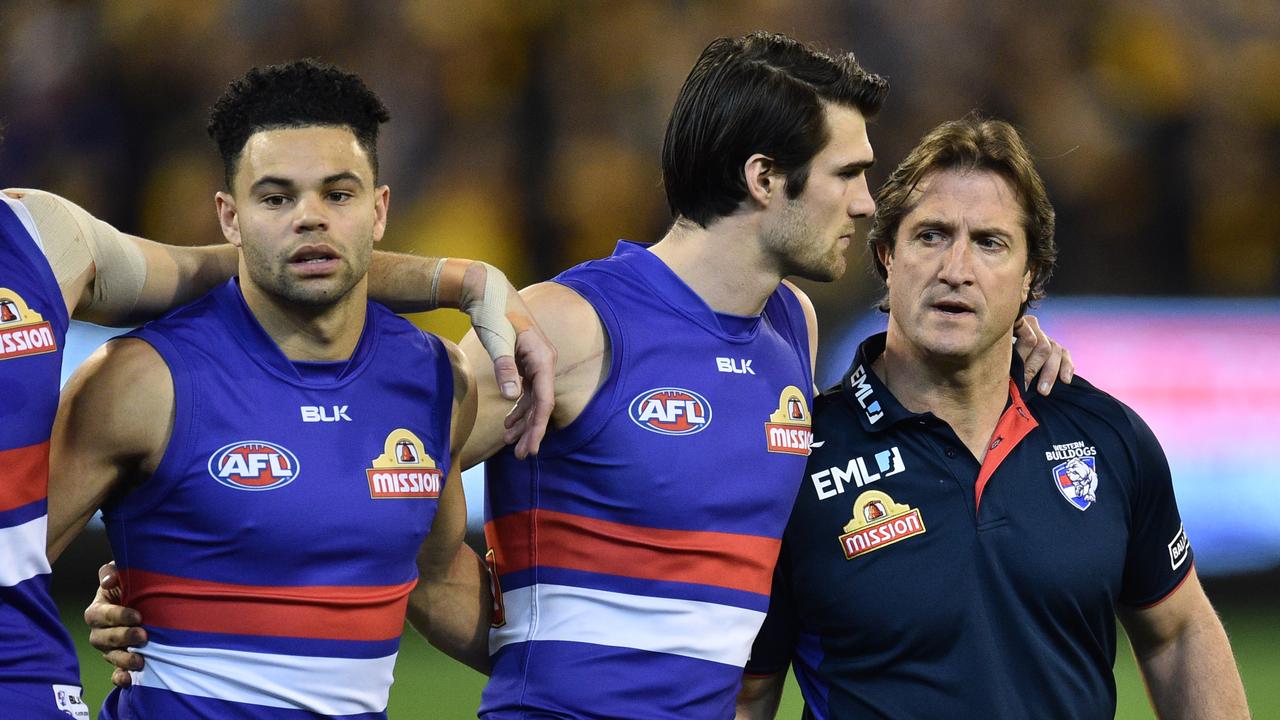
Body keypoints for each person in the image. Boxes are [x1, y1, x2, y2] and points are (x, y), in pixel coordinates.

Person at [86, 33, 1071, 718]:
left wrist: (1015, 346)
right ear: (765, 179)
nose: (867, 202)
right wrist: (173, 585)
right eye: (849, 174)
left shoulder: (790, 321)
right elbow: (366, 457)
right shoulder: (569, 326)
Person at [41, 59, 550, 718]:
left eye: (338, 194)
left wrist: (586, 676)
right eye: (276, 198)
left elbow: (433, 575)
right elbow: (12, 559)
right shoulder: (140, 381)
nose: (310, 218)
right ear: (229, 217)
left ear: (379, 210)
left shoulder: (436, 378)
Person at [735, 117, 1250, 719]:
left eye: (989, 243)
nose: (957, 268)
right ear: (886, 256)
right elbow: (749, 695)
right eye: (930, 236)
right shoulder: (799, 461)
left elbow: (1179, 631)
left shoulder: (1109, 439)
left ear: (1031, 277)